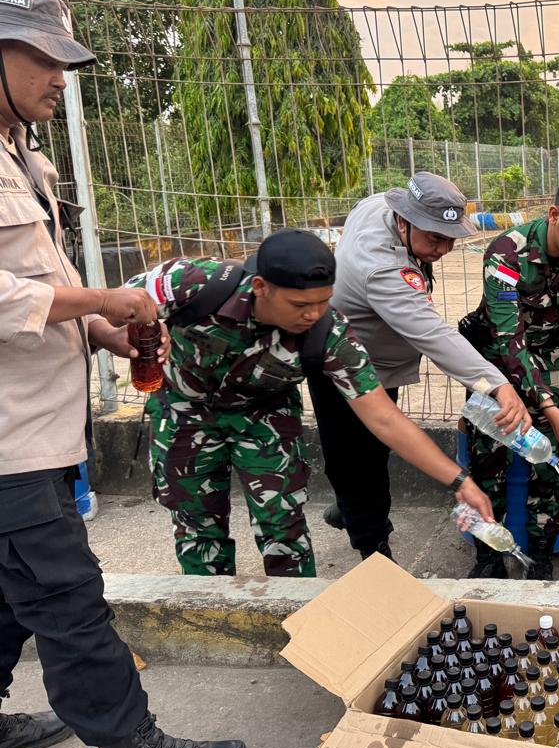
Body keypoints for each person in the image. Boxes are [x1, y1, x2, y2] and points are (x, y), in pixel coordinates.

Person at [0, 0, 245, 748]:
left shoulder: (20, 156)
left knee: (9, 587)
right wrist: (105, 300)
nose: (59, 78)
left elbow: (42, 284)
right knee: (65, 595)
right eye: (43, 58)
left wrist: (102, 331)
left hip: (37, 422)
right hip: (7, 442)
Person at [132, 228, 494, 577]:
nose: (313, 315)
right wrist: (122, 337)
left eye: (323, 302)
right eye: (301, 304)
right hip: (184, 408)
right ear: (261, 288)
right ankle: (209, 614)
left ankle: (299, 620)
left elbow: (384, 418)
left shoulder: (328, 332)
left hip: (264, 414)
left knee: (283, 527)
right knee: (198, 529)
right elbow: (113, 307)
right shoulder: (194, 282)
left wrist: (460, 482)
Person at [313, 171, 529, 561]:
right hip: (339, 364)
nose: (444, 248)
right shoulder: (382, 270)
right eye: (434, 237)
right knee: (356, 460)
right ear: (403, 221)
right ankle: (374, 550)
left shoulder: (380, 205)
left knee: (375, 449)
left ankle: (352, 509)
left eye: (450, 238)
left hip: (376, 359)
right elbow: (433, 335)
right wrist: (497, 385)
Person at [457, 166, 559, 580]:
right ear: (553, 215)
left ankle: (542, 560)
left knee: (548, 471)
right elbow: (508, 337)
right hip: (496, 371)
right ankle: (488, 558)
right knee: (487, 468)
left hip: (554, 370)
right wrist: (547, 407)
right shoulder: (506, 252)